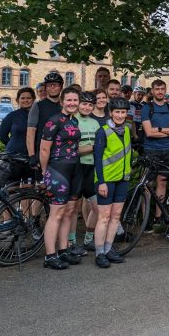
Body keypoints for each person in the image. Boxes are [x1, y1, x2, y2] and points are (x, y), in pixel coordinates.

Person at [40, 87, 82, 270]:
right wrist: (44, 171)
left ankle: (63, 250)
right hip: (58, 170)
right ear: (62, 102)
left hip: (74, 169)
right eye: (69, 100)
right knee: (56, 213)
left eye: (75, 100)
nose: (72, 103)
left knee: (68, 211)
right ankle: (50, 255)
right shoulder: (54, 121)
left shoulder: (74, 121)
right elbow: (44, 149)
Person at [91, 98, 133, 267]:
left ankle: (109, 249)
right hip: (106, 180)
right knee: (104, 217)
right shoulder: (103, 131)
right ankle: (99, 252)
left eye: (123, 112)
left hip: (122, 179)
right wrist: (101, 181)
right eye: (117, 112)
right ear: (111, 113)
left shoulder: (128, 129)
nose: (120, 115)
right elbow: (98, 159)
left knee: (116, 216)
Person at [141, 79, 169, 228]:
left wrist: (157, 129)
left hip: (168, 150)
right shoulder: (147, 108)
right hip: (151, 150)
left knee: (162, 182)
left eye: (162, 89)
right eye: (157, 89)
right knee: (147, 184)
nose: (159, 92)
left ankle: (158, 217)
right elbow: (148, 132)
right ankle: (146, 219)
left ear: (165, 90)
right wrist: (166, 131)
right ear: (152, 91)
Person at [75, 91, 100, 254]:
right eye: (84, 103)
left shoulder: (95, 123)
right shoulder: (72, 121)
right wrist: (91, 147)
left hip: (92, 168)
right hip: (76, 168)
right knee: (71, 209)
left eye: (90, 105)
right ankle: (70, 243)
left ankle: (88, 240)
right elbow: (72, 150)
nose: (87, 107)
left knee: (97, 208)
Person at [26, 71, 64, 175]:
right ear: (46, 88)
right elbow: (31, 132)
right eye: (49, 85)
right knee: (42, 188)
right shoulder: (38, 106)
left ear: (61, 87)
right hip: (43, 154)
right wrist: (32, 155)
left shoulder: (66, 106)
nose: (52, 87)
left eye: (55, 85)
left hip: (64, 154)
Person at [0, 86, 35, 158]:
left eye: (28, 98)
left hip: (34, 155)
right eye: (22, 98)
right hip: (14, 155)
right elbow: (2, 136)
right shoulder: (12, 116)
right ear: (17, 100)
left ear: (33, 100)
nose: (26, 100)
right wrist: (14, 145)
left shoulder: (38, 116)